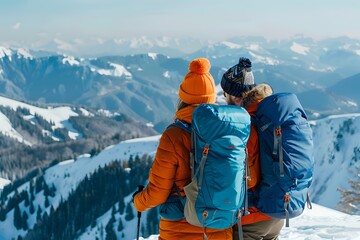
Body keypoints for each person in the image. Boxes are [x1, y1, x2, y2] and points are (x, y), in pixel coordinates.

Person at [133, 58, 232, 240]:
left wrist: (139, 202)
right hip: (219, 227)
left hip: (180, 230)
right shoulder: (226, 130)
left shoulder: (174, 136)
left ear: (183, 98)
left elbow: (157, 192)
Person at [221, 57, 284, 240]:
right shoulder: (269, 115)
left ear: (234, 96)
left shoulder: (246, 125)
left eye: (225, 94)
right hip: (277, 212)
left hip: (253, 216)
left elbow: (248, 179)